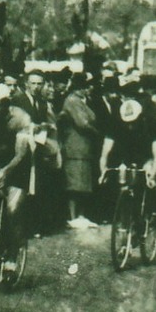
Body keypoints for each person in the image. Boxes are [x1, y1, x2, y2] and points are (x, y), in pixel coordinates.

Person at [0, 81, 35, 280]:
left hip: (16, 168)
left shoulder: (21, 118)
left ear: (6, 103)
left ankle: (11, 259)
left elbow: (21, 153)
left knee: (12, 211)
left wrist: (5, 171)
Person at [99, 81, 156, 199]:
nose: (130, 126)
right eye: (127, 123)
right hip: (124, 159)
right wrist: (103, 171)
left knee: (150, 185)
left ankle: (152, 212)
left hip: (146, 158)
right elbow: (105, 152)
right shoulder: (115, 123)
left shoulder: (153, 124)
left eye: (133, 122)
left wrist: (152, 173)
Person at [58, 74, 101, 227]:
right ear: (79, 87)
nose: (88, 90)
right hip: (75, 145)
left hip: (84, 147)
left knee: (83, 183)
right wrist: (96, 132)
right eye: (85, 87)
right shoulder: (72, 101)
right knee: (75, 185)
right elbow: (82, 123)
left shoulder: (81, 100)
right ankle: (73, 216)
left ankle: (81, 216)